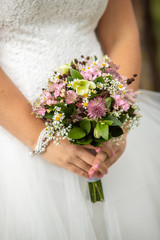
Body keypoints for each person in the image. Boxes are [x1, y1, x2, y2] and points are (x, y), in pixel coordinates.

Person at [0, 0, 160, 239]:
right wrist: (43, 140)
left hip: (103, 122)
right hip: (14, 134)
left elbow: (121, 33)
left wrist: (119, 120)